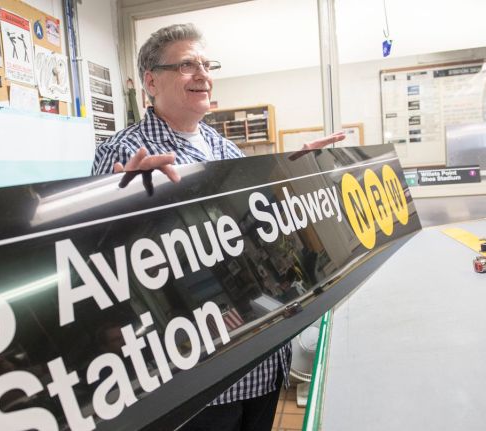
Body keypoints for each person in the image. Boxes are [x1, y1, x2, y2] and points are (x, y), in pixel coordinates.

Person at [91, 23, 344, 431]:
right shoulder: (122, 152)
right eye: (188, 65)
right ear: (151, 81)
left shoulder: (227, 149)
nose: (203, 75)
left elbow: (251, 231)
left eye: (207, 65)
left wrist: (289, 178)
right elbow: (97, 258)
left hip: (259, 361)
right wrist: (119, 209)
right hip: (199, 376)